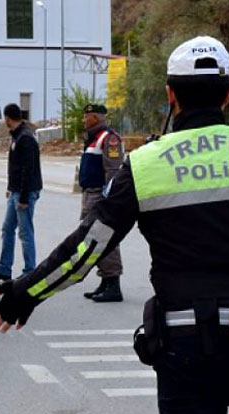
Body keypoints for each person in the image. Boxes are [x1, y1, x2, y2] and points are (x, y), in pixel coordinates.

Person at [0, 36, 229, 414]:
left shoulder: (145, 165)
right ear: (228, 94)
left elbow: (87, 249)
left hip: (185, 348)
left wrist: (26, 293)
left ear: (170, 94)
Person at [0, 103, 43, 281]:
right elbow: (16, 167)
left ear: (8, 118)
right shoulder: (17, 136)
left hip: (25, 193)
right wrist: (10, 187)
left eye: (5, 119)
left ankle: (30, 271)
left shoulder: (25, 138)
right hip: (16, 191)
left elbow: (28, 170)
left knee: (25, 232)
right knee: (8, 229)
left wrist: (23, 197)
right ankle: (4, 268)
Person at [78, 103, 125, 302]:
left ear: (96, 118)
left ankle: (113, 283)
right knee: (92, 239)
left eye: (86, 116)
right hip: (89, 194)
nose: (83, 120)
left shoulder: (109, 138)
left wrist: (109, 198)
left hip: (100, 195)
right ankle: (105, 280)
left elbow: (113, 171)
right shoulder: (93, 139)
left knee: (104, 238)